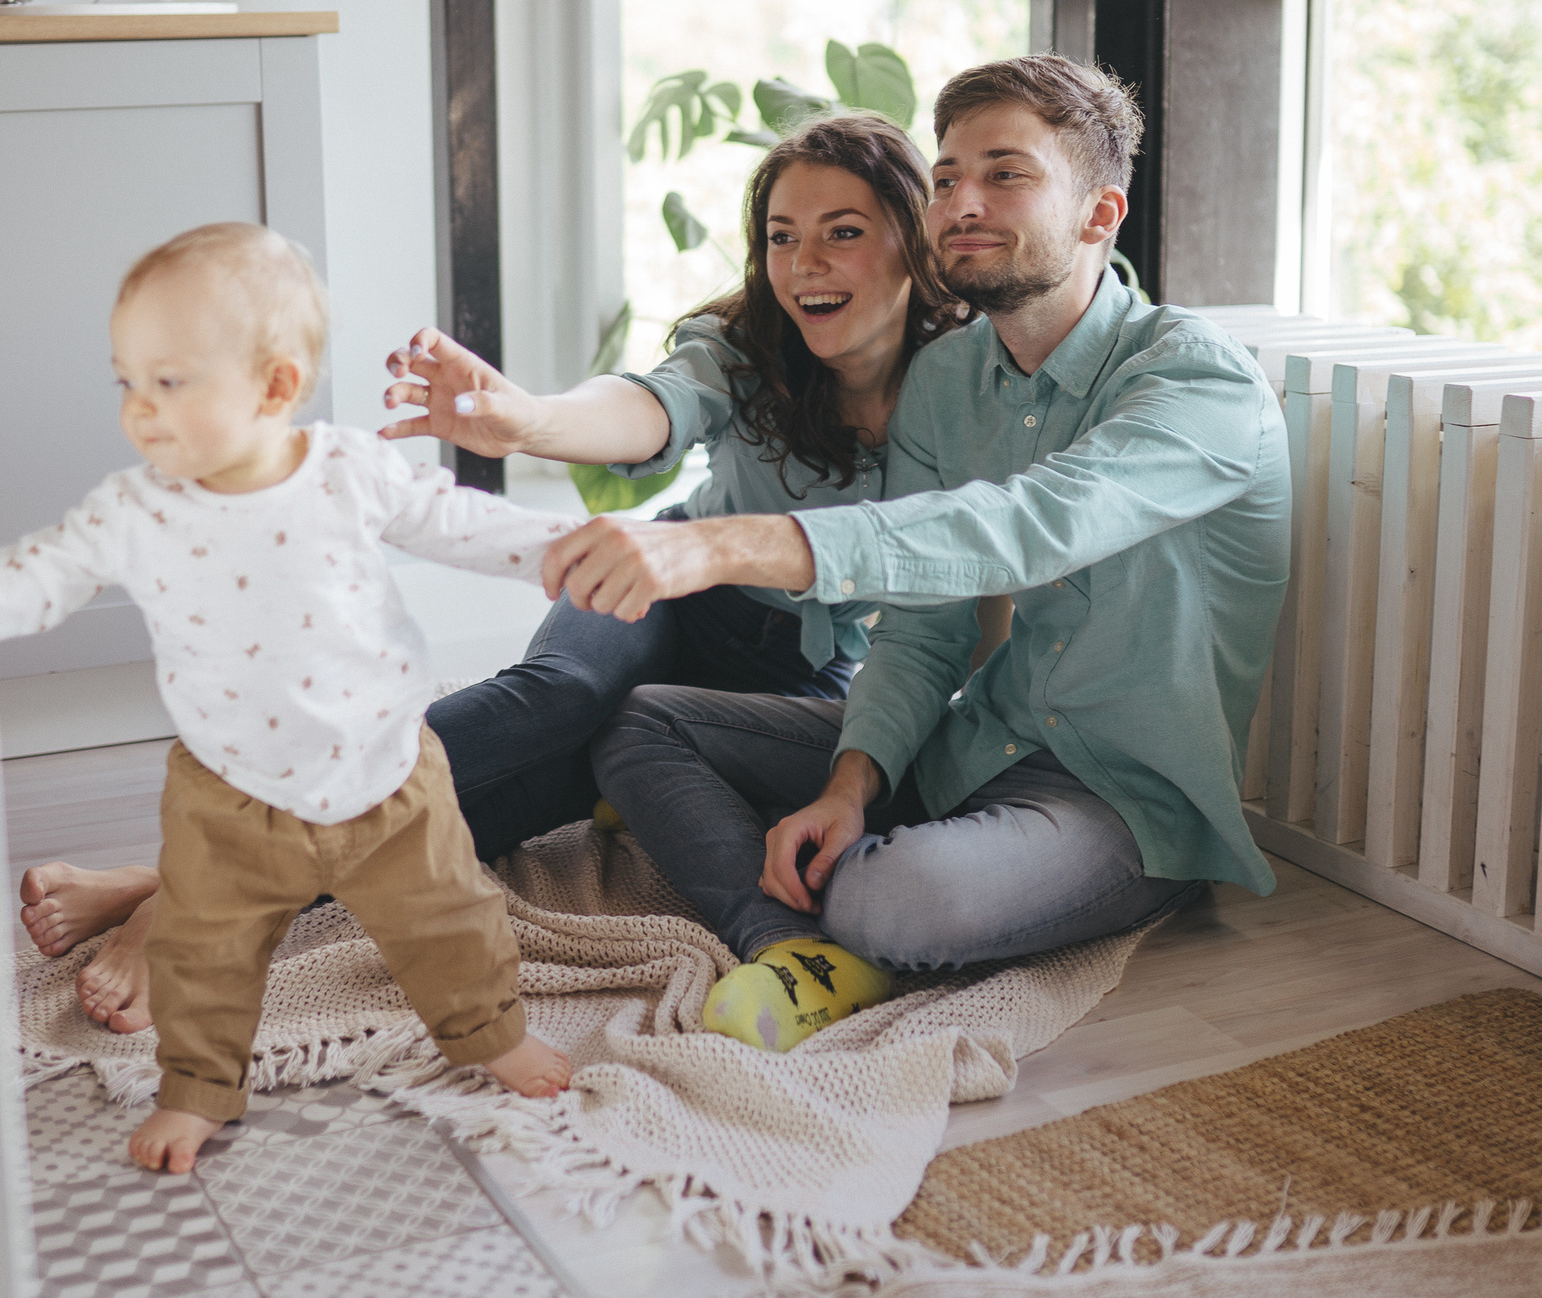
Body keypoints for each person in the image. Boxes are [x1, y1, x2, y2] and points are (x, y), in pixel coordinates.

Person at [17, 112, 1002, 1033]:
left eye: (840, 232)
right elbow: (646, 410)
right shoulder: (746, 347)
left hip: (802, 663)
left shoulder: (964, 387)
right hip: (662, 581)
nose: (804, 265)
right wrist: (525, 418)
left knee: (533, 789)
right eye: (782, 237)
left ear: (911, 241)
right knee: (558, 696)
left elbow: (964, 581)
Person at [547, 55, 1292, 1052]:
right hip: (973, 741)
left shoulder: (1196, 381)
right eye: (945, 178)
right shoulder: (948, 380)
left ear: (1098, 213)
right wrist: (850, 783)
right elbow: (926, 623)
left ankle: (860, 920)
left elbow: (1032, 523)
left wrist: (735, 544)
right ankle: (784, 944)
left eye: (1005, 173)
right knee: (642, 721)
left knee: (888, 898)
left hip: (1121, 799)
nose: (961, 203)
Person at [0, 223, 580, 1174]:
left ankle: (491, 1035)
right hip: (229, 799)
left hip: (387, 780)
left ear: (276, 387)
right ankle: (198, 1090)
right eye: (126, 382)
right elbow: (39, 573)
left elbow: (458, 521)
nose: (139, 410)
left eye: (168, 383)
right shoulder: (136, 510)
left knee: (452, 921)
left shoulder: (348, 470)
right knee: (205, 955)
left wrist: (563, 550)